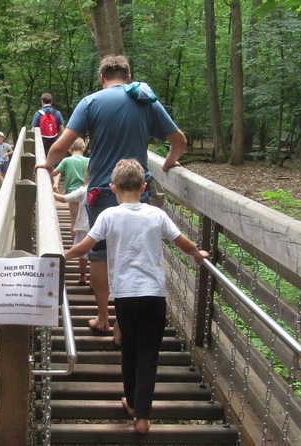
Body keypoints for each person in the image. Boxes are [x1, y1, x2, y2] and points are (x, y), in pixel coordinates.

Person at [35, 54, 187, 334]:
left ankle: (103, 318)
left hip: (100, 192)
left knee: (100, 255)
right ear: (128, 77)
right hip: (136, 190)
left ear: (101, 77)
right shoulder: (146, 100)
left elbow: (60, 145)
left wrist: (47, 165)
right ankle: (122, 325)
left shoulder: (91, 102)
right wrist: (168, 163)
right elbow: (178, 141)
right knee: (130, 254)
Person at [64, 158, 208, 434]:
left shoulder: (108, 216)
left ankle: (131, 402)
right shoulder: (156, 214)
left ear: (112, 187)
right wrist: (196, 253)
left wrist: (62, 256)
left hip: (126, 297)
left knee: (129, 350)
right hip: (154, 295)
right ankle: (142, 415)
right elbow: (181, 240)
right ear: (143, 187)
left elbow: (85, 247)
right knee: (148, 354)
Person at [53, 172, 89, 285]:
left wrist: (50, 192)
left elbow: (64, 199)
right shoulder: (109, 190)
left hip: (84, 227)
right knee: (97, 257)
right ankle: (95, 281)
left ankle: (82, 275)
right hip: (101, 229)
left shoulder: (84, 190)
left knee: (82, 254)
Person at [50, 137, 89, 237]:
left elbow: (54, 172)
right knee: (87, 219)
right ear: (83, 147)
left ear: (69, 149)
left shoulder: (66, 161)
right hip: (86, 193)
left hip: (72, 193)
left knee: (74, 220)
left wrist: (49, 163)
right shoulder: (89, 160)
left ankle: (75, 244)